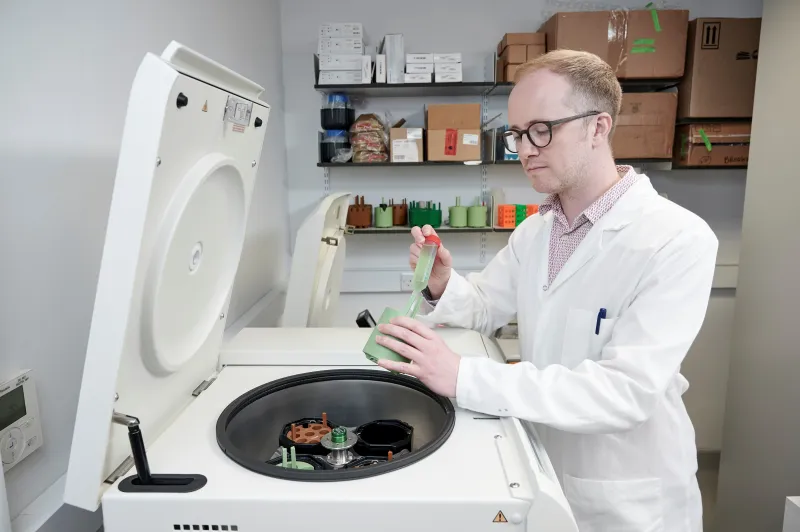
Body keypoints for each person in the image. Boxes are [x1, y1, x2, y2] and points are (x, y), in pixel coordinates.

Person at [373, 49, 718, 531]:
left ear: (599, 127)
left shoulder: (677, 239)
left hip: (626, 494)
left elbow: (626, 392)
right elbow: (485, 306)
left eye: (542, 130)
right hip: (541, 466)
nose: (525, 150)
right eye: (517, 134)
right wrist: (443, 284)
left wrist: (465, 378)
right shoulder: (537, 231)